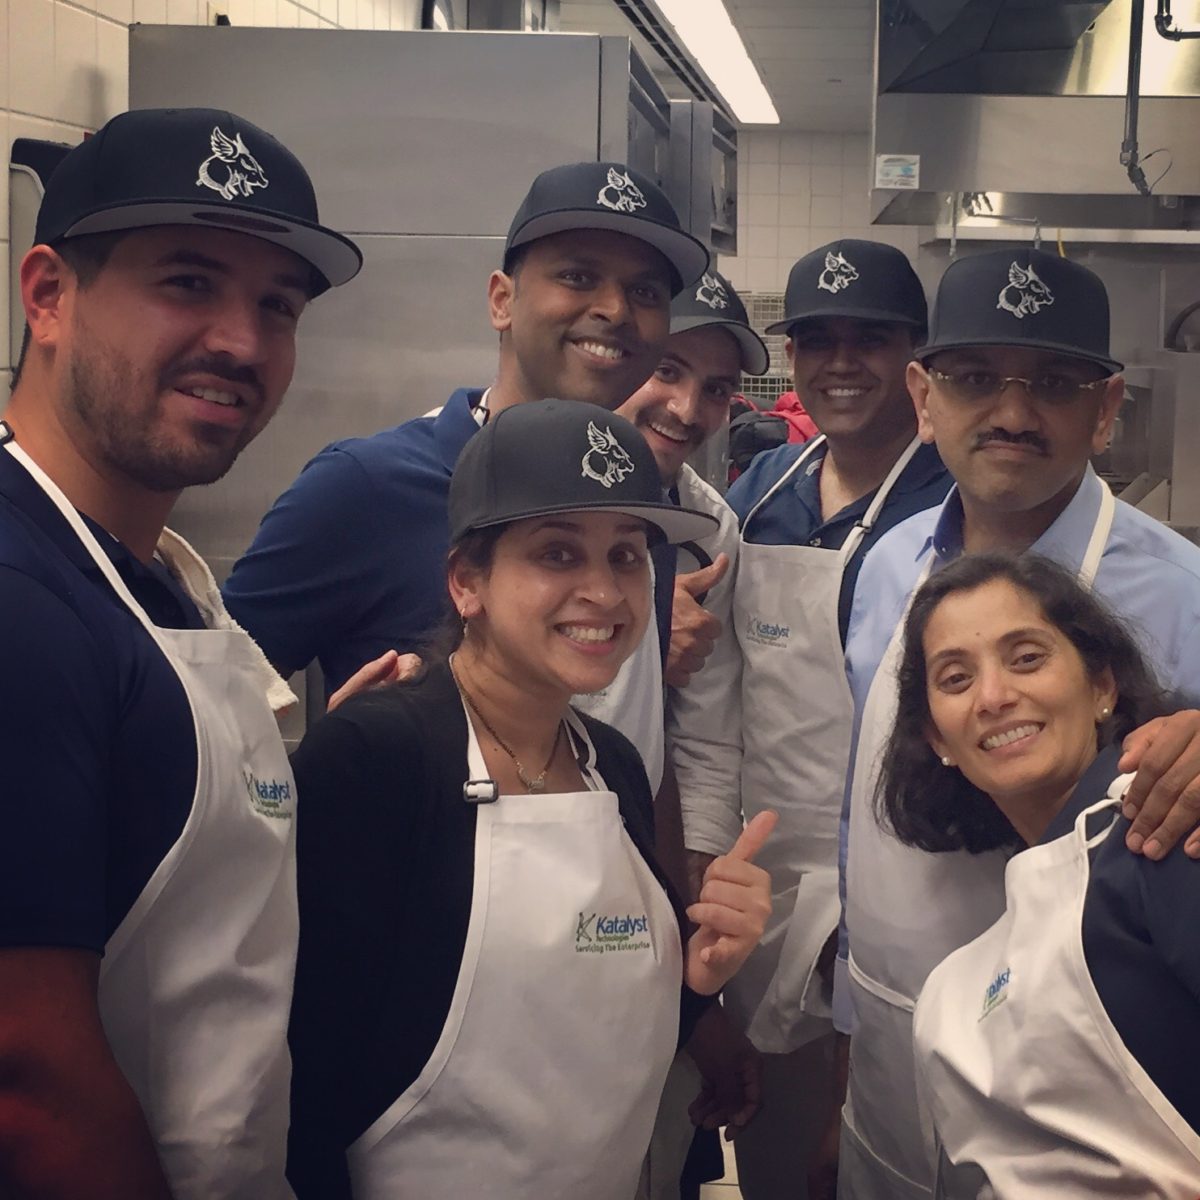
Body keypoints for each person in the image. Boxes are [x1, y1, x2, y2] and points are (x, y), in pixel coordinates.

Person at [0, 107, 361, 1199]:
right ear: (48, 295)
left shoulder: (144, 572)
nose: (241, 343)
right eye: (188, 282)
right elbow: (28, 1083)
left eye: (277, 305)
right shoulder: (19, 598)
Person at [283, 399, 775, 1199]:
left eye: (625, 555)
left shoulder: (610, 764)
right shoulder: (379, 758)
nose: (605, 592)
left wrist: (695, 981)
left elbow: (586, 1016)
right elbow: (303, 1071)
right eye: (557, 553)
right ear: (466, 582)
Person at [838, 247, 1200, 1200]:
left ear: (1106, 409)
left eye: (1053, 383)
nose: (1011, 412)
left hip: (1097, 1093)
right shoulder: (882, 567)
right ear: (923, 398)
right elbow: (857, 810)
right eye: (972, 378)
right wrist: (846, 1023)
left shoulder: (1185, 596)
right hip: (892, 1039)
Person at [222, 160, 710, 707]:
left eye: (645, 291)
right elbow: (208, 704)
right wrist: (342, 752)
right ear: (502, 301)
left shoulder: (645, 494)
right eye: (578, 277)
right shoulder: (366, 488)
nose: (616, 310)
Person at [673, 239, 950, 1199]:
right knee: (782, 1151)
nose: (840, 363)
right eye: (816, 341)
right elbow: (715, 704)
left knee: (890, 1151)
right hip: (766, 889)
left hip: (906, 885)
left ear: (914, 358)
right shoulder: (758, 498)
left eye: (868, 339)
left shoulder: (953, 506)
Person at [878, 553, 1200, 1194]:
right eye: (956, 678)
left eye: (1027, 658)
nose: (994, 698)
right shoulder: (962, 980)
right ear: (937, 739)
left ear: (1102, 687)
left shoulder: (1164, 833)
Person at [611, 270, 771, 1197]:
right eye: (667, 369)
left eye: (715, 387)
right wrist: (624, 633)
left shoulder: (710, 526)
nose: (686, 408)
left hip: (644, 881)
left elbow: (703, 739)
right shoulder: (480, 477)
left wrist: (695, 906)